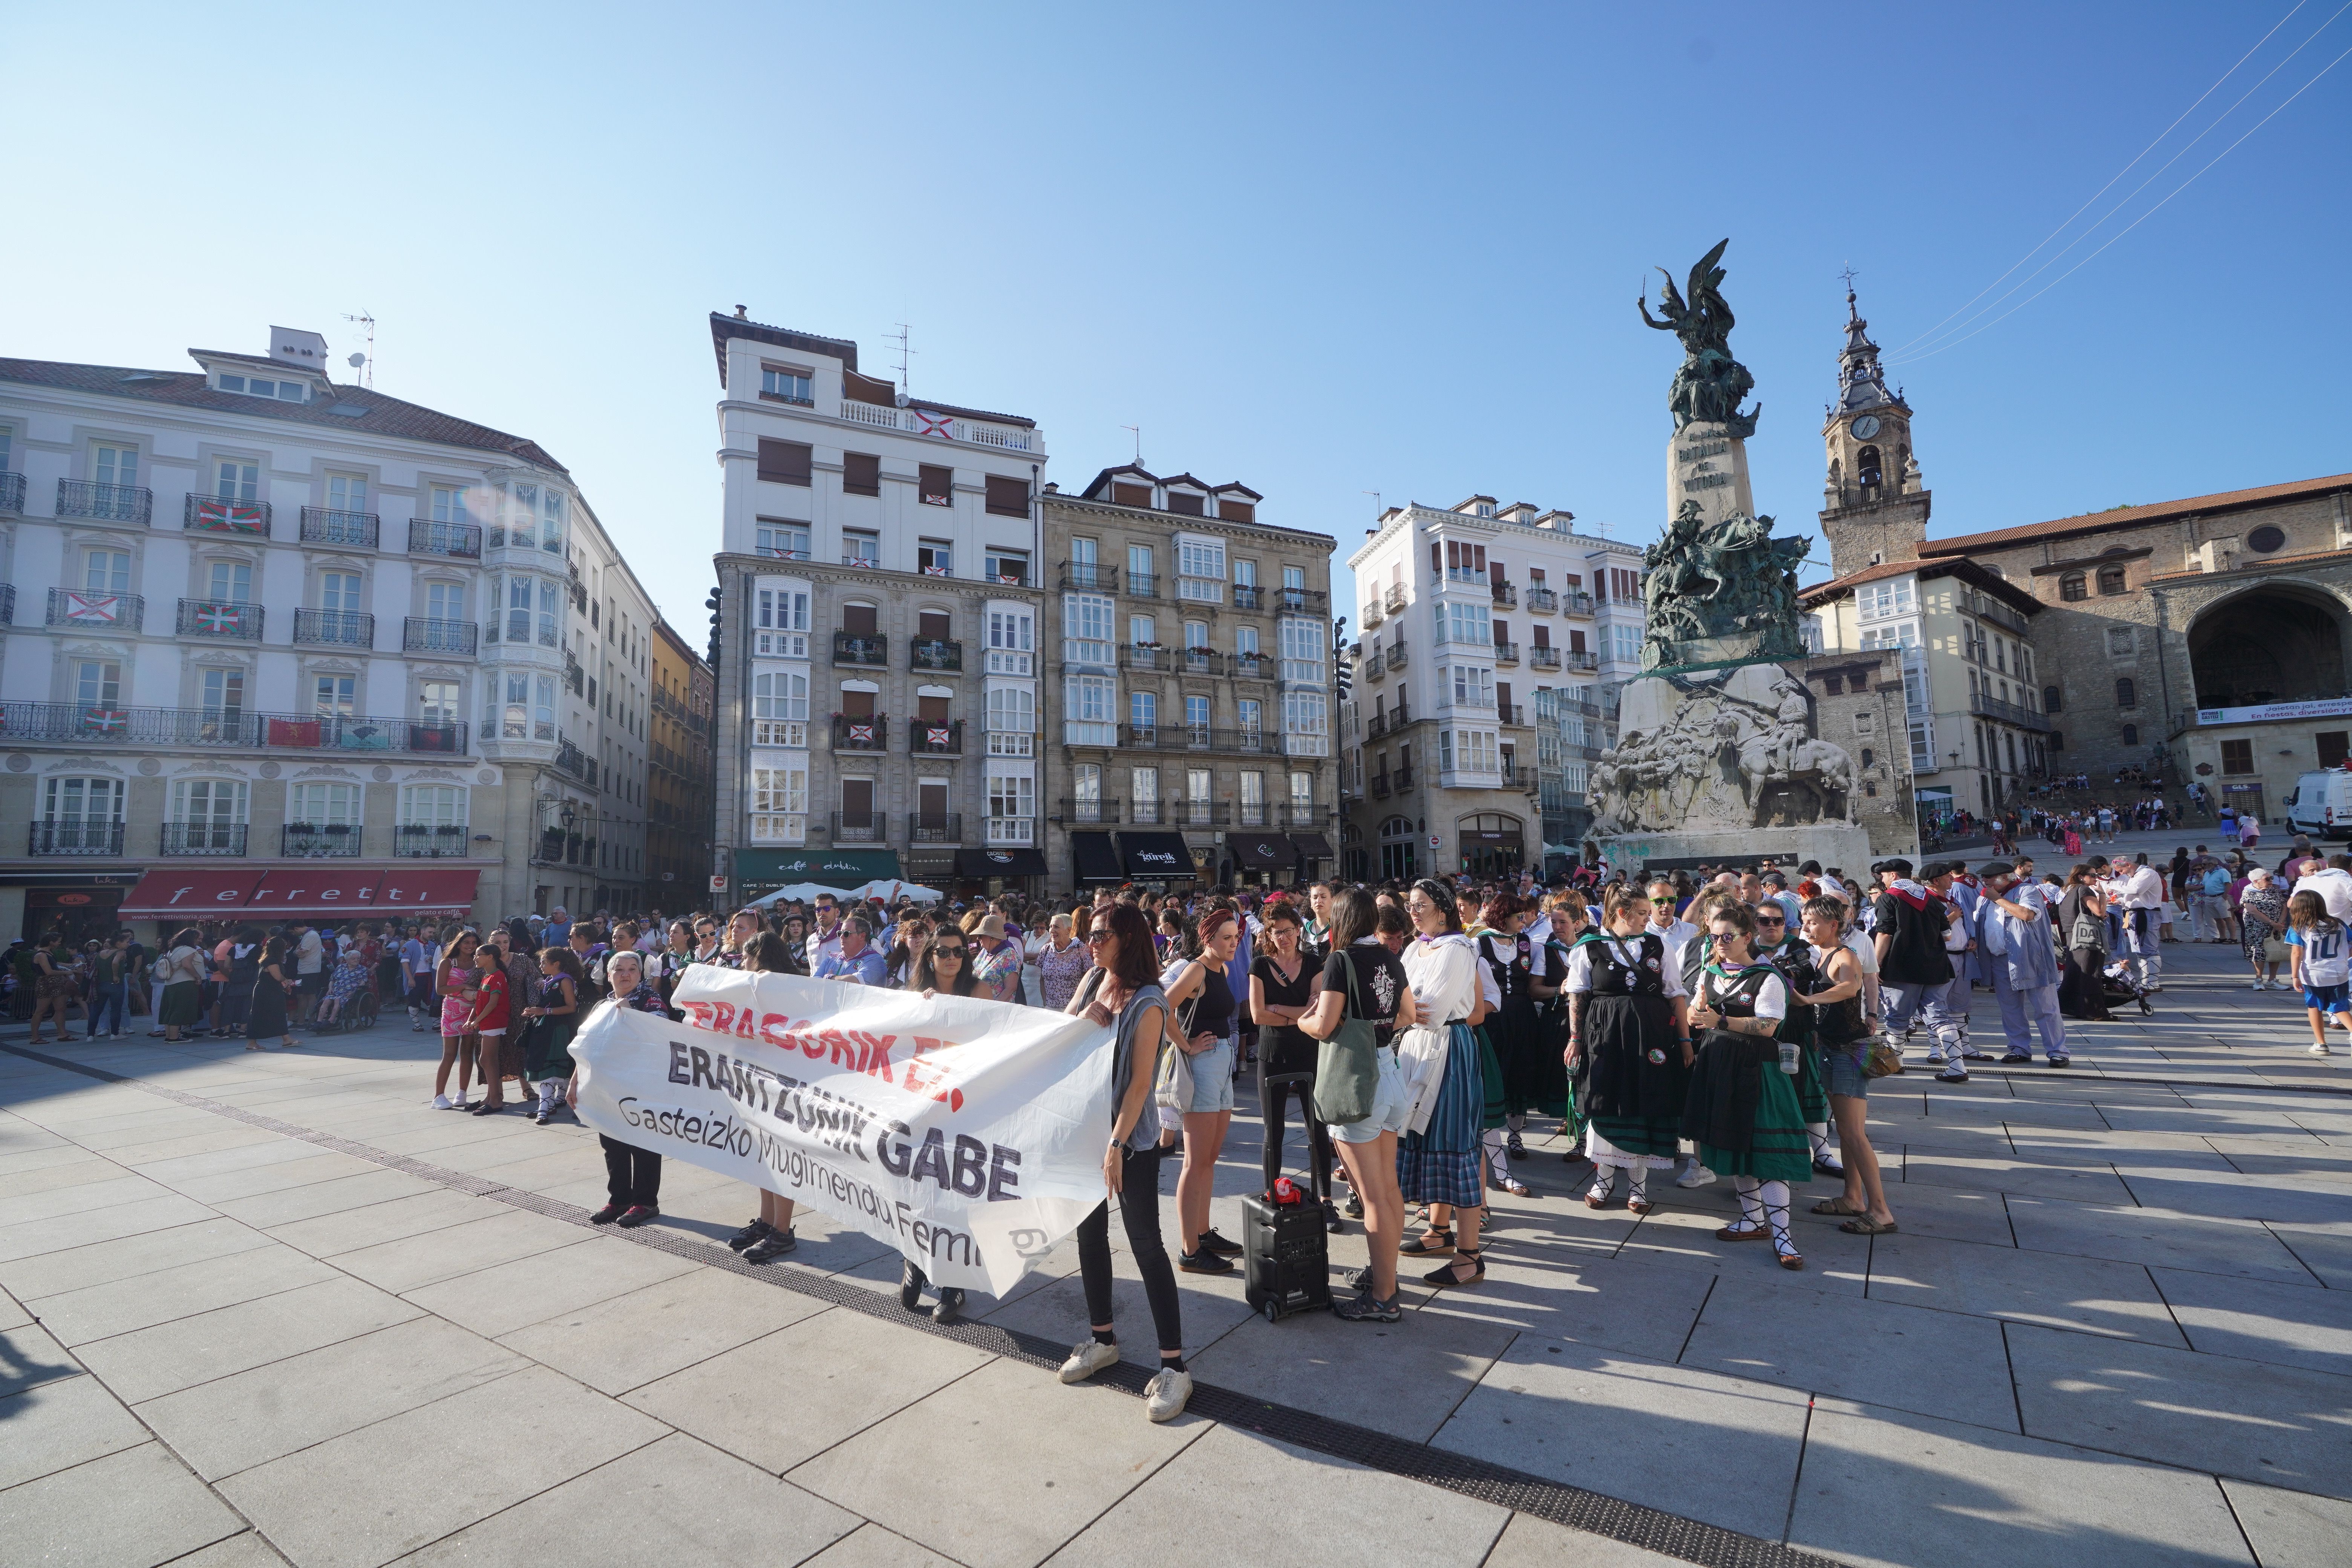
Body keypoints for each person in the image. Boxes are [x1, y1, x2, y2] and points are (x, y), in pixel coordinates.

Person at [1056, 903, 1191, 1422]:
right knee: (1089, 1238)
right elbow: (1060, 1035)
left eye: (1100, 935)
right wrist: (1082, 1018)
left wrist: (1116, 1145)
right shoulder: (1094, 980)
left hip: (1127, 1141)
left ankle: (1175, 1367)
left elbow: (1140, 1084)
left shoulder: (1150, 1002)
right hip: (1085, 1130)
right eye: (1088, 935)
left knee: (1146, 1245)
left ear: (1128, 938)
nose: (1090, 943)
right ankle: (1101, 1338)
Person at [1298, 887, 1416, 1321]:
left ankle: (1384, 1296)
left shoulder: (1341, 960)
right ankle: (1386, 1274)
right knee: (1388, 1189)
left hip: (1357, 1078)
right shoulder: (1389, 955)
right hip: (1389, 1070)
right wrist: (1375, 1023)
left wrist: (1301, 1018)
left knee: (1372, 1197)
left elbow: (1325, 1024)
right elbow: (1408, 1014)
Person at [1682, 902, 1811, 1269]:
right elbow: (1697, 1011)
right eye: (1715, 936)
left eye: (1728, 936)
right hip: (1719, 1065)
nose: (1721, 942)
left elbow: (1769, 1026)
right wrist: (1696, 1016)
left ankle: (1784, 1235)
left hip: (1759, 1070)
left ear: (1747, 937)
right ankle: (1754, 1220)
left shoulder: (1766, 976)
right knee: (1736, 1145)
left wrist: (1719, 1020)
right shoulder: (1711, 972)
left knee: (1768, 1153)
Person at [1565, 885, 1691, 1213]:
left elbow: (1675, 994)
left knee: (1644, 1103)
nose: (1648, 919)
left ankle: (1638, 1188)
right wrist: (1575, 1039)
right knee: (1605, 1103)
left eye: (1648, 913)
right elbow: (1577, 996)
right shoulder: (1588, 947)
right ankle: (1603, 1182)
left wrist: (1685, 1040)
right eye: (1642, 914)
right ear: (1622, 913)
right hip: (1604, 1036)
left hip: (1651, 1036)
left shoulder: (1657, 944)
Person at [1396, 879, 1488, 1286]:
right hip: (1416, 1048)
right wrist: (1405, 1007)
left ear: (1444, 909)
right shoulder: (1416, 947)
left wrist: (1402, 1007)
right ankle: (1438, 1230)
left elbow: (1430, 1009)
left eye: (1423, 905)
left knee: (1453, 1141)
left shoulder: (1457, 948)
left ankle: (1470, 1255)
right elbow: (1402, 997)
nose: (1414, 911)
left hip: (1449, 1047)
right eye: (1411, 905)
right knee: (1425, 1137)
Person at [1795, 896, 1896, 1234]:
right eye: (1804, 921)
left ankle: (1880, 1211)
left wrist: (1810, 999)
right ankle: (1853, 1197)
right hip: (1829, 1048)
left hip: (1846, 1053)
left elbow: (1850, 986)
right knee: (1847, 1130)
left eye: (1812, 922)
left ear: (1833, 925)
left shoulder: (1844, 956)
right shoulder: (1820, 954)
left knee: (1853, 1133)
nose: (1806, 927)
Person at [1159, 908, 1244, 1273]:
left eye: (1236, 936)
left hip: (1221, 1063)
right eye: (1227, 937)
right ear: (1208, 939)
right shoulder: (1196, 969)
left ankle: (1203, 1233)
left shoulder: (1221, 970)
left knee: (1210, 1157)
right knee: (1194, 1162)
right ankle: (1189, 1250)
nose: (1234, 943)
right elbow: (1162, 1007)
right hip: (1204, 1065)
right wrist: (1187, 1045)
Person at [1250, 901, 1337, 1229]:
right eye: (1276, 931)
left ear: (1299, 930)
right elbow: (1258, 1015)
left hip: (1309, 1053)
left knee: (1318, 1128)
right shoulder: (1259, 965)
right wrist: (1299, 1011)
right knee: (1274, 1131)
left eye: (1287, 930)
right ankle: (1272, 1196)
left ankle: (1327, 1200)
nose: (1282, 937)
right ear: (1268, 934)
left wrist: (1280, 1008)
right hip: (1272, 1055)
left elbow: (1317, 1013)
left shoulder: (1315, 962)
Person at [1477, 893, 1565, 1193]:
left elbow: (1533, 985)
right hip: (1492, 1018)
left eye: (1524, 916)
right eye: (1518, 916)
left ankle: (1514, 1136)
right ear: (1503, 917)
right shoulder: (1479, 942)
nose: (1524, 920)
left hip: (1522, 1015)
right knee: (1494, 1076)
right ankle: (1490, 1140)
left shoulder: (1528, 943)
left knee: (1520, 1073)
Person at [730, 933, 804, 1263]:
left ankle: (782, 1231)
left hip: (782, 1080)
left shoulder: (781, 985)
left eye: (747, 957)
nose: (743, 963)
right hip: (758, 1077)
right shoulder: (760, 983)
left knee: (780, 1155)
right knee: (763, 1154)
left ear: (759, 956)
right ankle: (767, 1221)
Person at [582, 949, 666, 1227]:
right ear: (609, 975)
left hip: (642, 1086)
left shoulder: (650, 999)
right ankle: (619, 1199)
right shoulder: (602, 1006)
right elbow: (584, 1047)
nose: (626, 974)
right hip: (608, 1087)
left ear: (641, 975)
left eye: (632, 969)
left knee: (643, 1144)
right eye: (619, 969)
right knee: (613, 1145)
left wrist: (630, 1013)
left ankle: (645, 1202)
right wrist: (575, 1084)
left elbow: (659, 1036)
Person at [2287, 890, 2352, 1058]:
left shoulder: (2299, 927)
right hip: (2339, 971)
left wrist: (2295, 976)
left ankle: (2321, 1043)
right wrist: (2344, 958)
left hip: (2314, 973)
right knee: (2339, 1006)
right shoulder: (2339, 924)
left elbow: (2296, 953)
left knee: (2314, 1006)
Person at [2056, 866, 2116, 1022]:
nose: (2096, 878)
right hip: (2087, 937)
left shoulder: (2067, 890)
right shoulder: (2084, 890)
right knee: (2090, 972)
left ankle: (2072, 1006)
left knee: (2076, 972)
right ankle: (2095, 1012)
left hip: (2072, 935)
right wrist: (2102, 893)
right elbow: (2100, 912)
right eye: (2093, 875)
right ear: (2081, 876)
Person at [432, 929, 482, 1109]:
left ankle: (462, 1093)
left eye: (474, 943)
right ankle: (438, 1096)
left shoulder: (479, 963)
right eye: (466, 943)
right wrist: (464, 986)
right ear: (459, 944)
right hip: (452, 1012)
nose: (470, 946)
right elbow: (440, 990)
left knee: (468, 1053)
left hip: (473, 1013)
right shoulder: (448, 963)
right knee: (450, 1054)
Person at [242, 934, 299, 1051]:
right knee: (261, 1015)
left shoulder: (269, 959)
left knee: (277, 1014)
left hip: (270, 990)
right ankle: (252, 1043)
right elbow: (278, 977)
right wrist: (287, 981)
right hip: (267, 991)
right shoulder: (271, 960)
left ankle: (286, 1040)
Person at [2240, 866, 2290, 989]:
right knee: (2259, 952)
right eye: (2267, 879)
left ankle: (2272, 980)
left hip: (2276, 927)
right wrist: (2272, 923)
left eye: (2271, 878)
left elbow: (2284, 906)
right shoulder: (2248, 892)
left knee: (2276, 951)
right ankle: (2258, 980)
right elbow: (2253, 911)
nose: (2271, 880)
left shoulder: (2274, 890)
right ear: (2256, 881)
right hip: (2257, 928)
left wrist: (2280, 923)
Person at [1037, 912, 1092, 1011]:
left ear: (1068, 930)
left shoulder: (1081, 949)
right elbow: (1042, 979)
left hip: (1074, 1011)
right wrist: (1046, 1002)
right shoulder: (1046, 949)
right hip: (1050, 1010)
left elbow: (1089, 980)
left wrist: (1081, 1007)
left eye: (1057, 927)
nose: (1052, 931)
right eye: (1051, 927)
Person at [812, 916, 888, 986]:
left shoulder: (875, 960)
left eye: (846, 934)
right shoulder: (832, 959)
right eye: (840, 933)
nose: (841, 937)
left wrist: (830, 978)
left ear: (862, 936)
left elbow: (856, 982)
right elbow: (815, 982)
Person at [968, 913, 1025, 1004]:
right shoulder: (984, 952)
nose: (978, 938)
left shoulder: (1009, 954)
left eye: (981, 935)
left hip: (998, 1011)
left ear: (992, 937)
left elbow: (1011, 988)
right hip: (979, 1008)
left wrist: (993, 1008)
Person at [317, 949, 369, 1027]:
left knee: (338, 1000)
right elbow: (332, 980)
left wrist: (354, 992)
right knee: (326, 1000)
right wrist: (330, 988)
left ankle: (331, 1021)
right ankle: (319, 1022)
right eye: (354, 959)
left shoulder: (363, 969)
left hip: (349, 993)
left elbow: (363, 983)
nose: (356, 960)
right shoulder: (340, 967)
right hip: (336, 992)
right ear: (347, 960)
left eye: (358, 959)